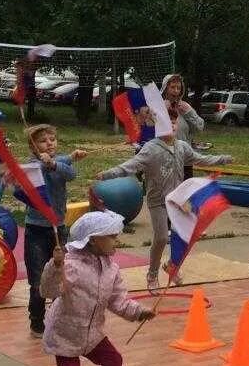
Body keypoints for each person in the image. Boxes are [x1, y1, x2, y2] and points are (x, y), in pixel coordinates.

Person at [40, 210, 156, 366]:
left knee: (114, 361)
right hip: (65, 334)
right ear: (93, 240)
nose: (117, 240)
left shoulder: (111, 269)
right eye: (111, 236)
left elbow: (118, 301)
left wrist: (138, 312)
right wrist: (55, 266)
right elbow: (48, 291)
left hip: (92, 334)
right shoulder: (70, 265)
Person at [96, 122, 232, 290]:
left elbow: (200, 159)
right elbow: (130, 166)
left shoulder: (182, 146)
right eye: (168, 123)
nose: (172, 127)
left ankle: (171, 266)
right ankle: (152, 274)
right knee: (161, 238)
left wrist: (222, 159)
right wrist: (108, 174)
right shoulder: (150, 149)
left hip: (177, 201)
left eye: (175, 124)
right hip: (158, 201)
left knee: (186, 236)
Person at [20, 124, 88, 339]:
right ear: (33, 147)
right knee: (38, 277)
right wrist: (46, 163)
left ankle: (59, 317)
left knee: (61, 276)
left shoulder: (59, 164)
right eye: (43, 141)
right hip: (36, 229)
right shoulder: (32, 164)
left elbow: (71, 174)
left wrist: (58, 162)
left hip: (58, 227)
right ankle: (36, 321)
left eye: (52, 139)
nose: (49, 143)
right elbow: (32, 172)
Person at [162, 73, 205, 178]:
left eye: (179, 88)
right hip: (164, 160)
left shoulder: (185, 107)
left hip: (184, 160)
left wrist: (188, 112)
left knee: (185, 191)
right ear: (165, 88)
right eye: (172, 87)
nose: (176, 91)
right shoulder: (158, 107)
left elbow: (200, 127)